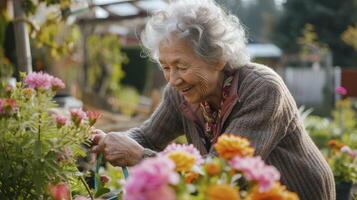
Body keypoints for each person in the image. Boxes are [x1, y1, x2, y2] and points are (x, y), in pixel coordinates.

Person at [91, 0, 335, 199]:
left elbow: (221, 169)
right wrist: (115, 140)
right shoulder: (180, 93)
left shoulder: (263, 90)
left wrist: (139, 156)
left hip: (297, 193)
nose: (172, 79)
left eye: (181, 66)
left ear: (217, 58)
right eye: (165, 67)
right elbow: (147, 136)